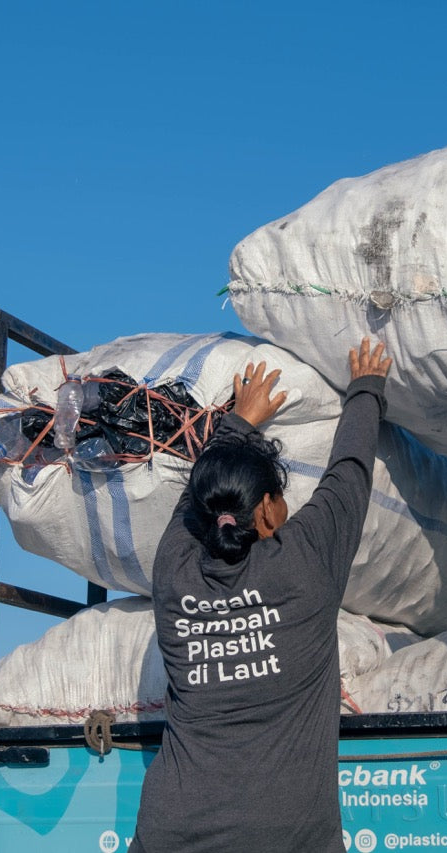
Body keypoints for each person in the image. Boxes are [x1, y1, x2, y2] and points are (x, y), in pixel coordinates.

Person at [130, 339, 392, 853]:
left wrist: (240, 422)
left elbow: (197, 498)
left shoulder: (173, 571)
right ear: (270, 510)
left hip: (171, 832)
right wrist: (367, 387)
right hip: (287, 836)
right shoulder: (305, 563)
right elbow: (351, 472)